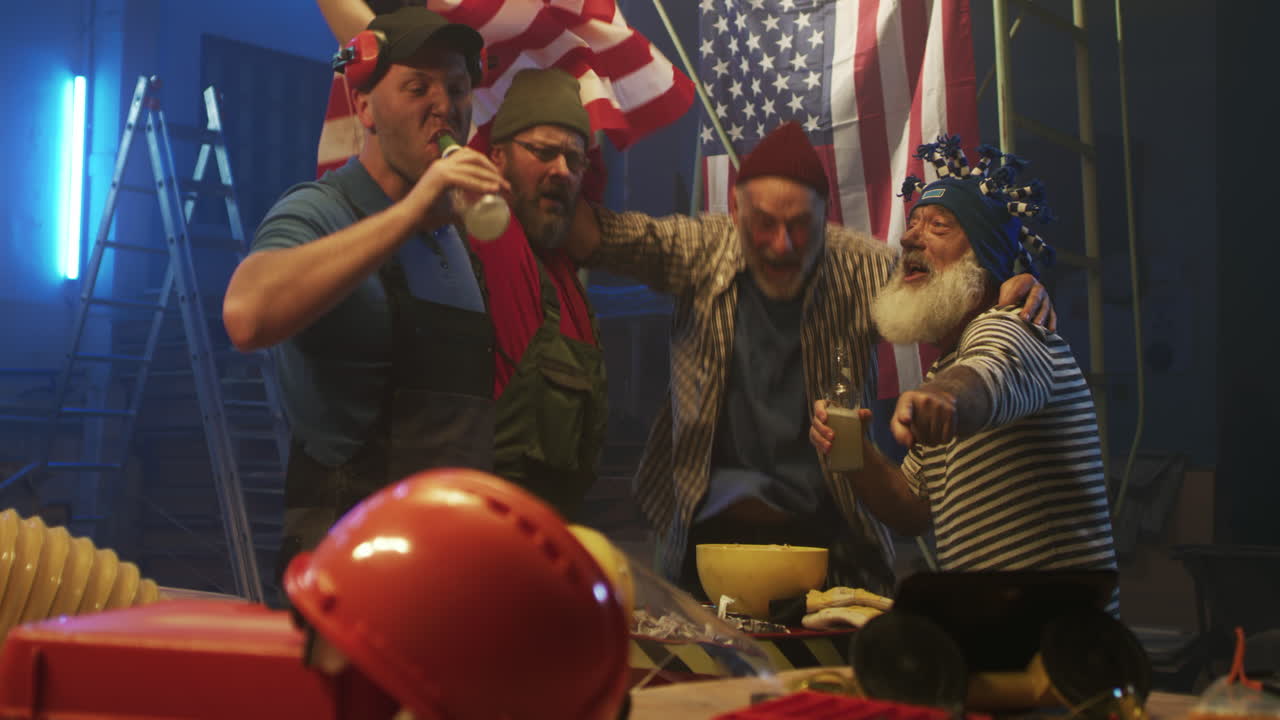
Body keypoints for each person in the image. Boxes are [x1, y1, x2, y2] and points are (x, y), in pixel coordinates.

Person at [564, 122, 1054, 596]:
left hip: (833, 549)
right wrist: (549, 157)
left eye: (801, 226)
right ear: (735, 213)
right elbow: (597, 236)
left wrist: (1009, 282)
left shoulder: (864, 266)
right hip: (704, 543)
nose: (782, 245)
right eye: (763, 225)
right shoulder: (701, 248)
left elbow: (951, 287)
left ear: (826, 218)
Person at [222, 6, 508, 568]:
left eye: (456, 87)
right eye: (416, 87)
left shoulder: (454, 238)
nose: (444, 107)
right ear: (364, 107)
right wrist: (406, 217)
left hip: (450, 561)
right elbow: (246, 316)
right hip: (350, 571)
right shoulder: (323, 208)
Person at [311, 0, 609, 518]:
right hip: (468, 532)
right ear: (492, 159)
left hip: (548, 545)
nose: (561, 170)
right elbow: (389, 69)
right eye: (542, 151)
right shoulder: (485, 230)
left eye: (575, 157)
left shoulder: (570, 283)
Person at [808, 138, 1117, 606]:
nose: (910, 238)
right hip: (993, 641)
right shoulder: (946, 363)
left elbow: (989, 375)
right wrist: (850, 452)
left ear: (981, 263)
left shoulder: (1014, 326)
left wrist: (944, 399)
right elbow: (912, 509)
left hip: (1059, 651)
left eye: (938, 227)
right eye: (912, 225)